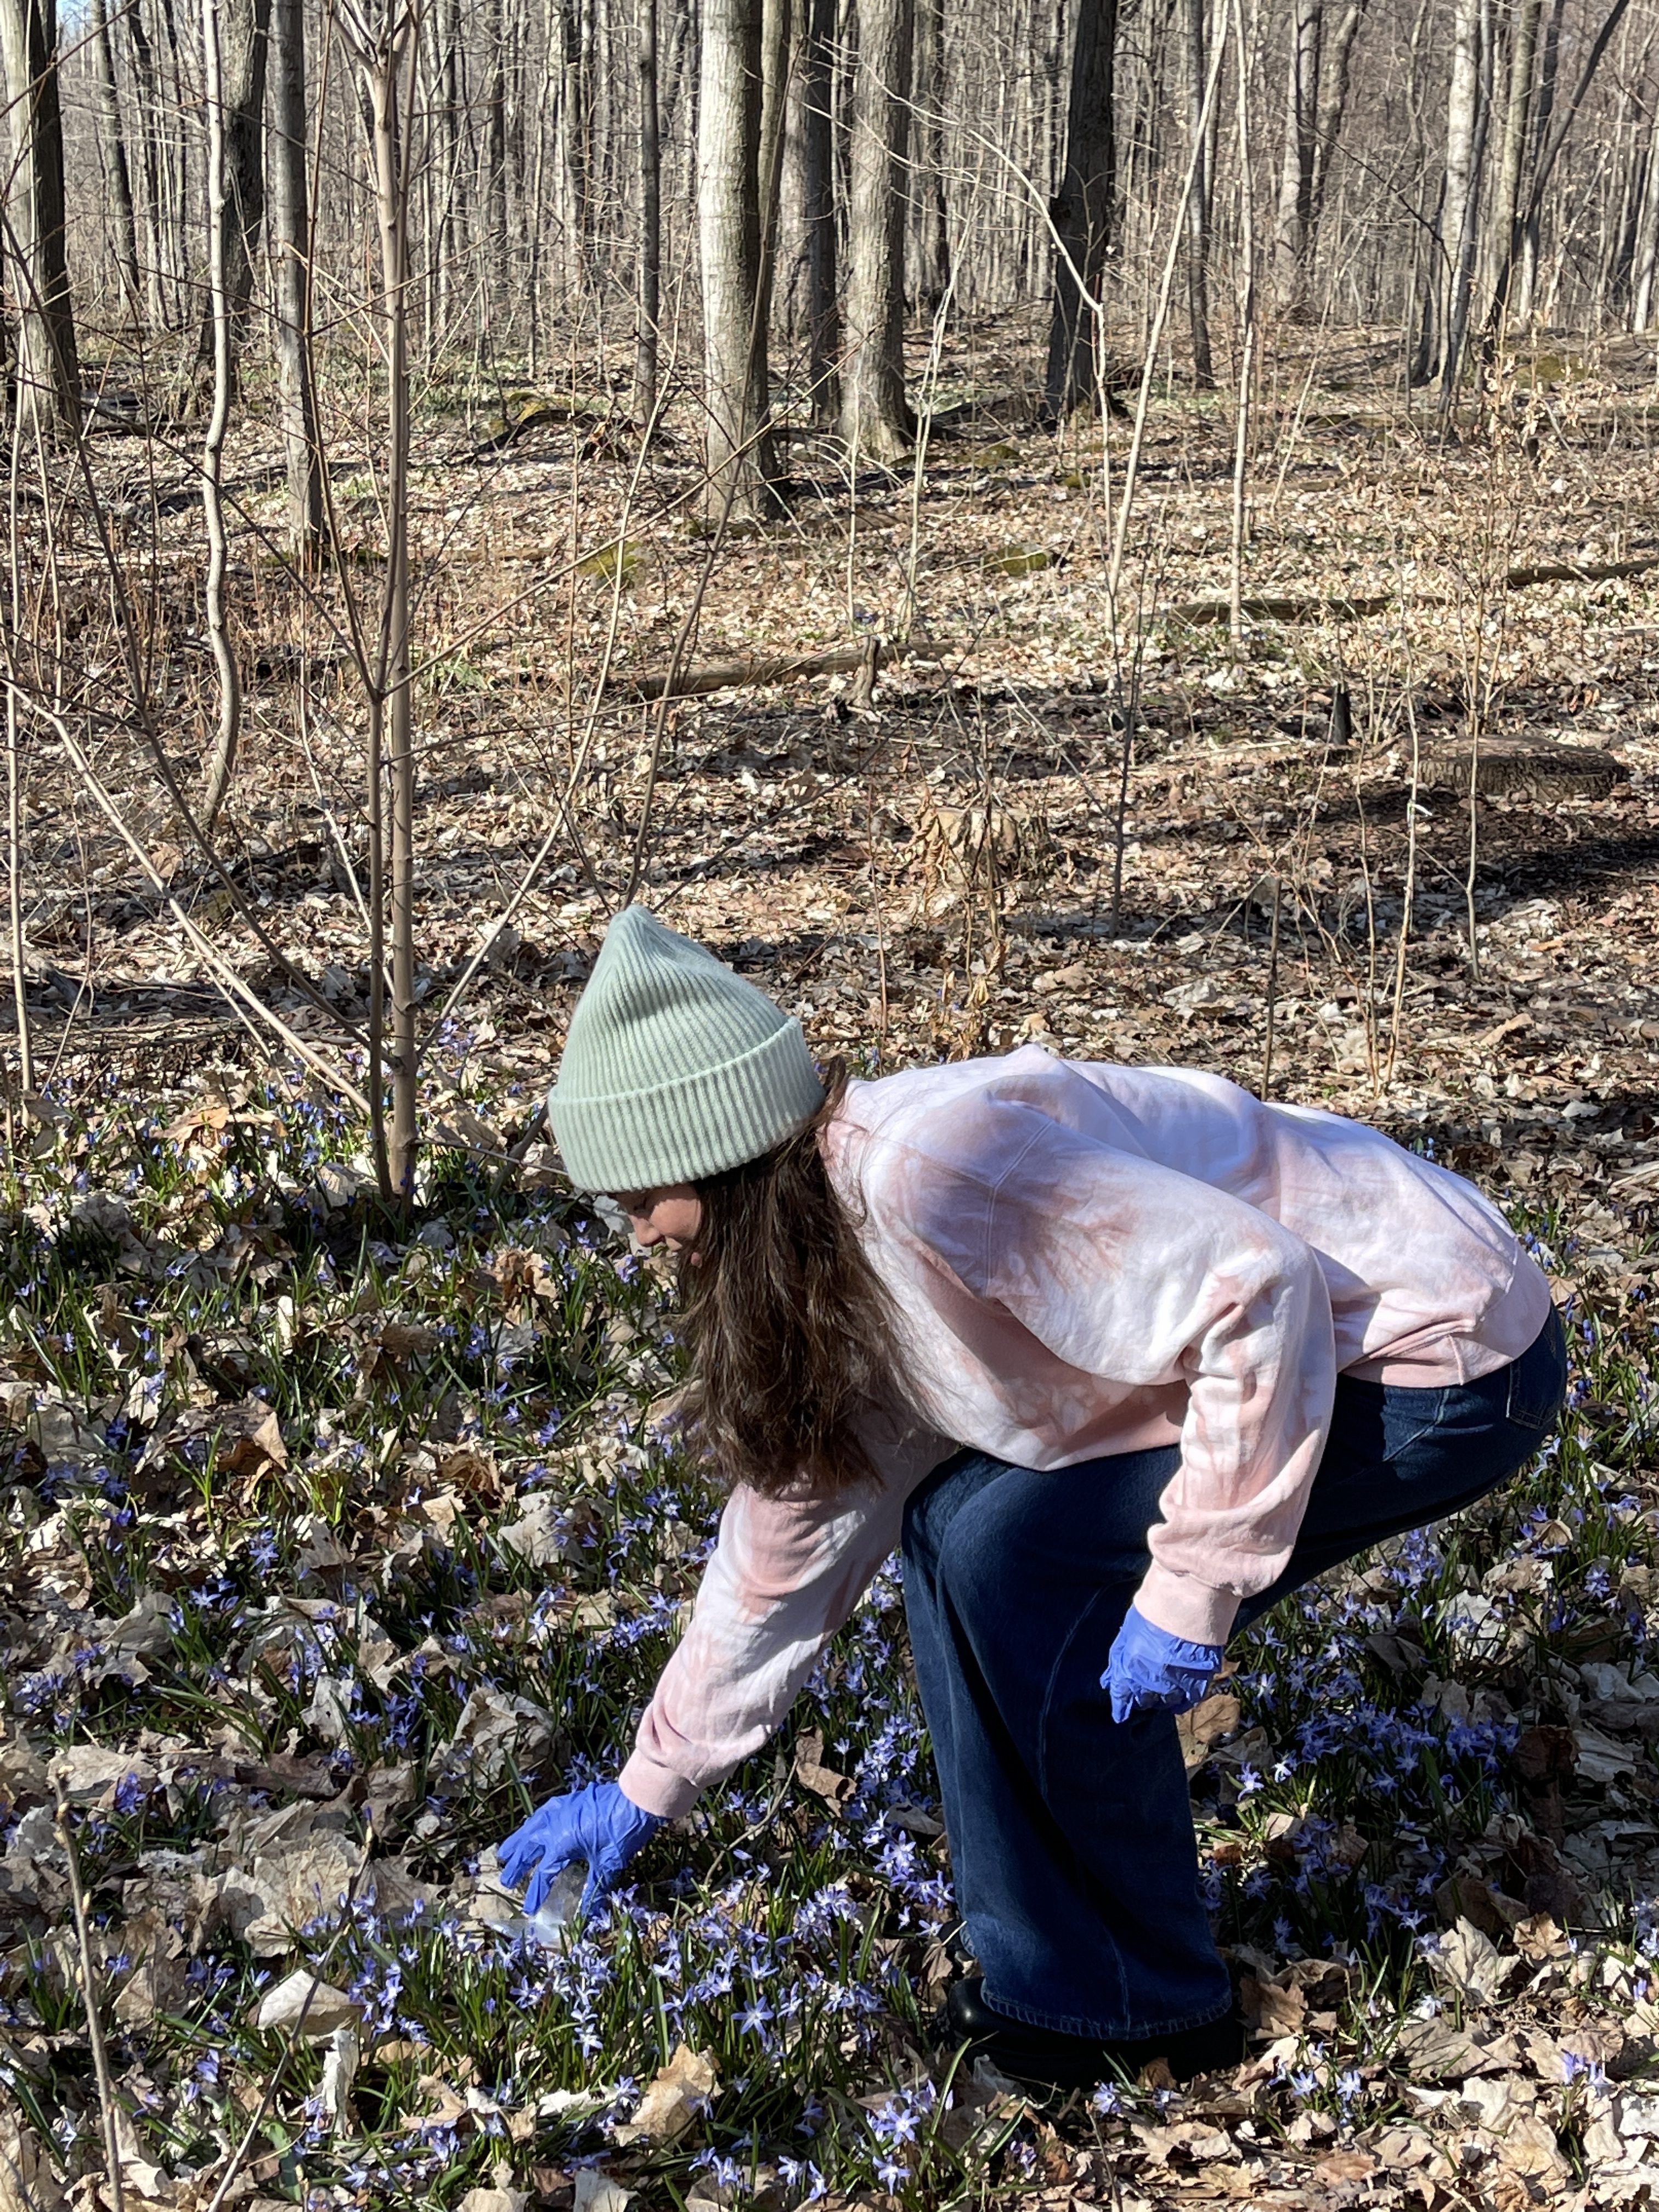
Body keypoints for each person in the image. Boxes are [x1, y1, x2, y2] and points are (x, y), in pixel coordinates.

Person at [499, 906, 1565, 2091]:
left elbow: (1258, 1295)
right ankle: (1068, 1976)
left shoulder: (935, 1178)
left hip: (1440, 1351)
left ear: (723, 1153)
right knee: (966, 1535)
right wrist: (652, 1783)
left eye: (645, 1196)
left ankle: (1127, 2007)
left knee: (1022, 1566)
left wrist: (1193, 1580)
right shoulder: (816, 1256)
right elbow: (787, 1537)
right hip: (1315, 1349)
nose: (642, 1234)